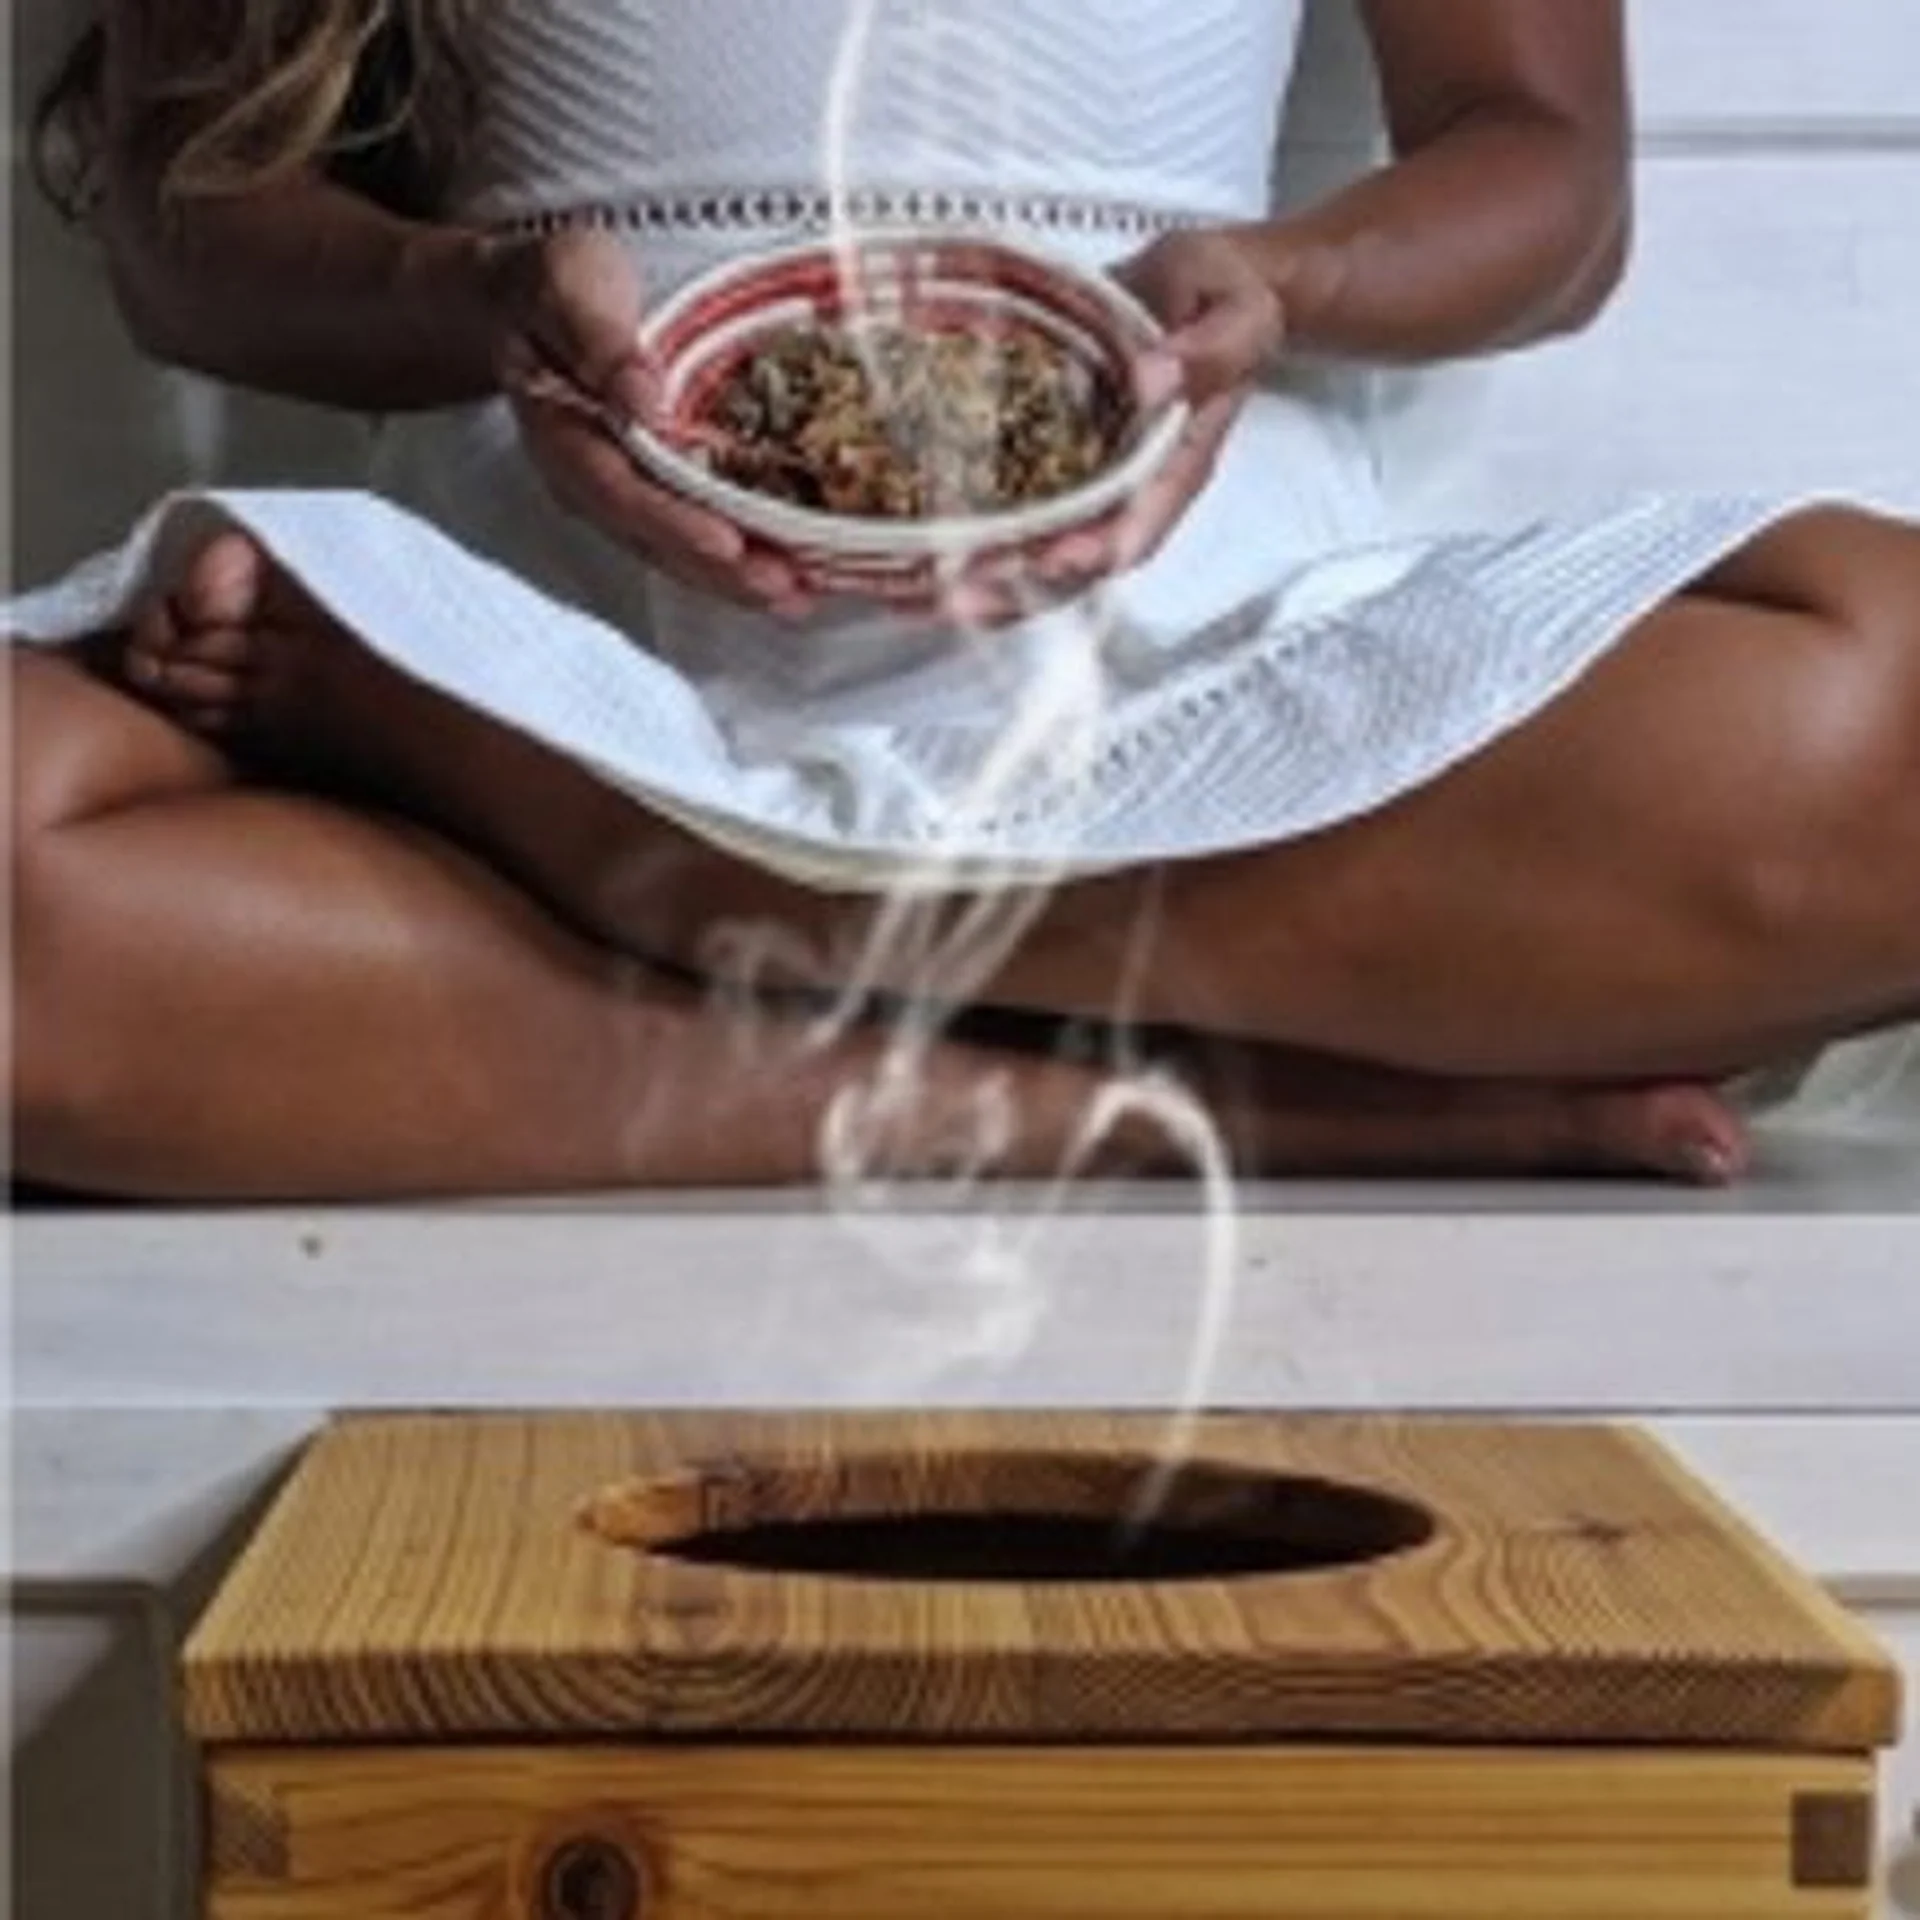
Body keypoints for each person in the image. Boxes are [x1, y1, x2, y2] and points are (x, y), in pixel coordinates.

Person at [11, 0, 1918, 1200]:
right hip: (542, 617)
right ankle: (1276, 1105)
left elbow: (1550, 182)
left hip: (1177, 638)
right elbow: (202, 231)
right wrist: (479, 300)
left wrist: (1284, 279)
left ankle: (682, 884)